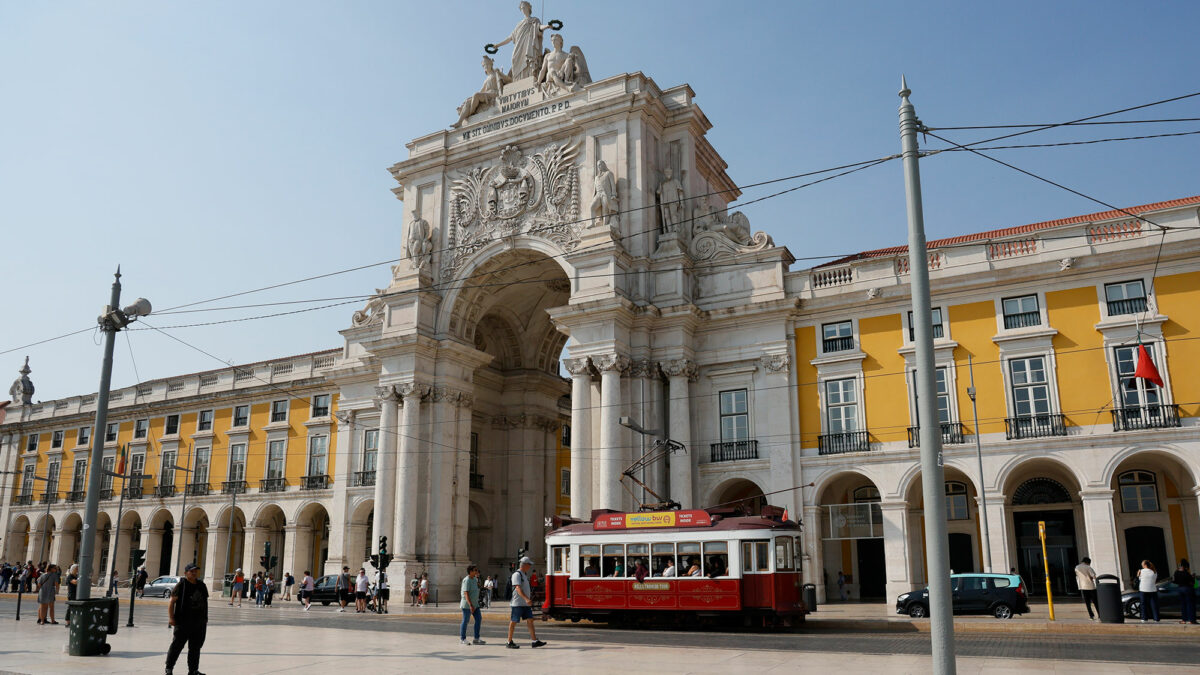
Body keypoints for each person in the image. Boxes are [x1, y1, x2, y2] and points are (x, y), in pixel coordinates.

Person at [165, 563, 208, 675]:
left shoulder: (201, 585)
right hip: (183, 622)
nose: (194, 573)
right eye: (191, 571)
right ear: (186, 573)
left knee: (195, 648)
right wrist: (171, 618)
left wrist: (205, 619)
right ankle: (169, 668)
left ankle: (193, 670)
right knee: (177, 646)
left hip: (199, 623)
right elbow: (171, 602)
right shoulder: (181, 585)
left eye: (195, 571)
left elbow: (205, 602)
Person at [506, 557, 545, 649]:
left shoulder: (524, 574)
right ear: (524, 565)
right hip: (518, 603)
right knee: (514, 622)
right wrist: (527, 599)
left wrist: (527, 599)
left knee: (530, 620)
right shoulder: (517, 574)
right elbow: (518, 588)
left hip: (525, 604)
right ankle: (509, 641)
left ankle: (534, 641)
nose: (530, 566)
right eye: (529, 564)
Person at [460, 565, 485, 646]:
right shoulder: (466, 580)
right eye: (475, 570)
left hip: (475, 604)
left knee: (478, 619)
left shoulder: (475, 579)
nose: (476, 571)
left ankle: (476, 638)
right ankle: (463, 639)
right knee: (465, 621)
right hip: (467, 605)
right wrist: (470, 605)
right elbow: (466, 593)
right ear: (470, 571)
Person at [1074, 556, 1099, 621]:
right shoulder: (1088, 567)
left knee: (1087, 603)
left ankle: (1091, 616)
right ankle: (1100, 615)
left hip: (1082, 587)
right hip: (1091, 587)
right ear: (1088, 562)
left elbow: (1078, 576)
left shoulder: (1077, 567)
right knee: (1095, 602)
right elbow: (1093, 576)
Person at [1173, 559, 1197, 624]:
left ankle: (1184, 620)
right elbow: (1192, 582)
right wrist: (1193, 577)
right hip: (1187, 589)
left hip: (1180, 589)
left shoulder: (1176, 572)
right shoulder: (1186, 573)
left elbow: (1175, 581)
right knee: (1190, 605)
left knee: (1183, 605)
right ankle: (1192, 620)